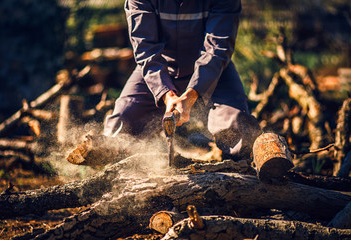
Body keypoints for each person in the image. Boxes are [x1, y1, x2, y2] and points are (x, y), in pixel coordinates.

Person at [68, 0, 261, 165]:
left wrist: (191, 94)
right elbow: (145, 50)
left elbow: (217, 49)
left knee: (238, 127)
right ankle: (120, 184)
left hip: (215, 72)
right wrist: (166, 94)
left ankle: (242, 184)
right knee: (120, 126)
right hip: (157, 68)